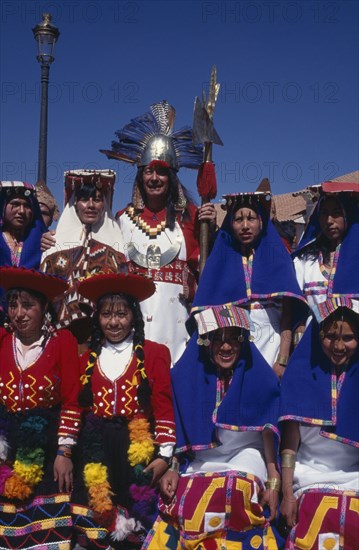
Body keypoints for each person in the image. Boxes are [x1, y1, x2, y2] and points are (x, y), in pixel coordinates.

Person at [144, 304, 281, 549]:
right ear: (205, 341)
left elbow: (268, 432)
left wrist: (273, 482)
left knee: (235, 491)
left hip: (246, 455)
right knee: (188, 498)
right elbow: (181, 432)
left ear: (243, 341)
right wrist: (174, 468)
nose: (226, 347)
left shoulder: (261, 377)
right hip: (201, 459)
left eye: (233, 339)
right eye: (217, 339)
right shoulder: (184, 378)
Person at [101, 100, 216, 363]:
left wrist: (217, 229)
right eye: (149, 171)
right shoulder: (122, 220)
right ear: (140, 176)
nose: (155, 178)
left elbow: (210, 270)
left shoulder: (193, 218)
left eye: (162, 172)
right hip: (132, 329)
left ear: (172, 177)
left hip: (180, 332)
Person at [72, 271, 176, 549]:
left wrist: (165, 456)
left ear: (134, 317)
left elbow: (164, 408)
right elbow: (76, 409)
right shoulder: (85, 359)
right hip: (96, 448)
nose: (114, 322)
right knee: (97, 522)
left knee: (135, 528)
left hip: (136, 448)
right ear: (97, 318)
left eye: (121, 314)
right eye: (106, 314)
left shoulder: (155, 354)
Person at [0, 266, 82, 549]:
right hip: (8, 448)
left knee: (48, 537)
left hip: (49, 449)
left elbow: (72, 400)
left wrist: (64, 451)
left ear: (44, 307)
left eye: (28, 305)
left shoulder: (62, 343)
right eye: (13, 305)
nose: (19, 313)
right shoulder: (1, 342)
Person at [191, 192, 306, 378]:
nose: (245, 226)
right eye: (238, 219)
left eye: (251, 218)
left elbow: (287, 316)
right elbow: (209, 310)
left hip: (271, 345)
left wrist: (282, 359)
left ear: (261, 222)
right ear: (230, 223)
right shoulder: (219, 262)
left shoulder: (279, 259)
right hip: (234, 349)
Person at [279, 299, 359, 549]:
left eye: (348, 337)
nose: (338, 346)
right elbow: (290, 448)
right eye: (330, 336)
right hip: (309, 480)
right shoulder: (298, 377)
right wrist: (288, 494)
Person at [41, 170, 126, 347]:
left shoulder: (118, 245)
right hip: (62, 337)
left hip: (107, 337)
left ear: (104, 204)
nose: (91, 205)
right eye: (84, 199)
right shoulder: (53, 244)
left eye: (97, 199)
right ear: (74, 204)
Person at [292, 182, 359, 337]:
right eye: (324, 213)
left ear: (348, 214)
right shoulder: (304, 261)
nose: (329, 220)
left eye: (336, 213)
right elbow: (295, 308)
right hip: (313, 342)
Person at [0, 181, 45, 269]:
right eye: (15, 204)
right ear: (3, 207)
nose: (22, 211)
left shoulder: (41, 240)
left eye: (27, 206)